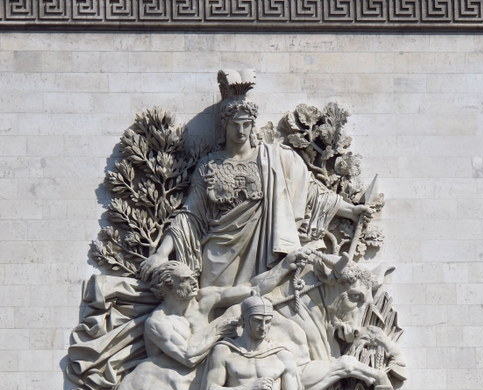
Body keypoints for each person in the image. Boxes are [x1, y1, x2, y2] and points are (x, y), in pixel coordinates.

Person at [141, 69, 371, 289]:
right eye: (235, 125)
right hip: (218, 253)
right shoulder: (209, 164)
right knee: (213, 311)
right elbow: (190, 214)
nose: (241, 131)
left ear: (252, 126)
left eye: (246, 124)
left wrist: (350, 210)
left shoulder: (274, 158)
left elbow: (311, 190)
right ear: (224, 125)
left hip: (264, 250)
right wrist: (162, 253)